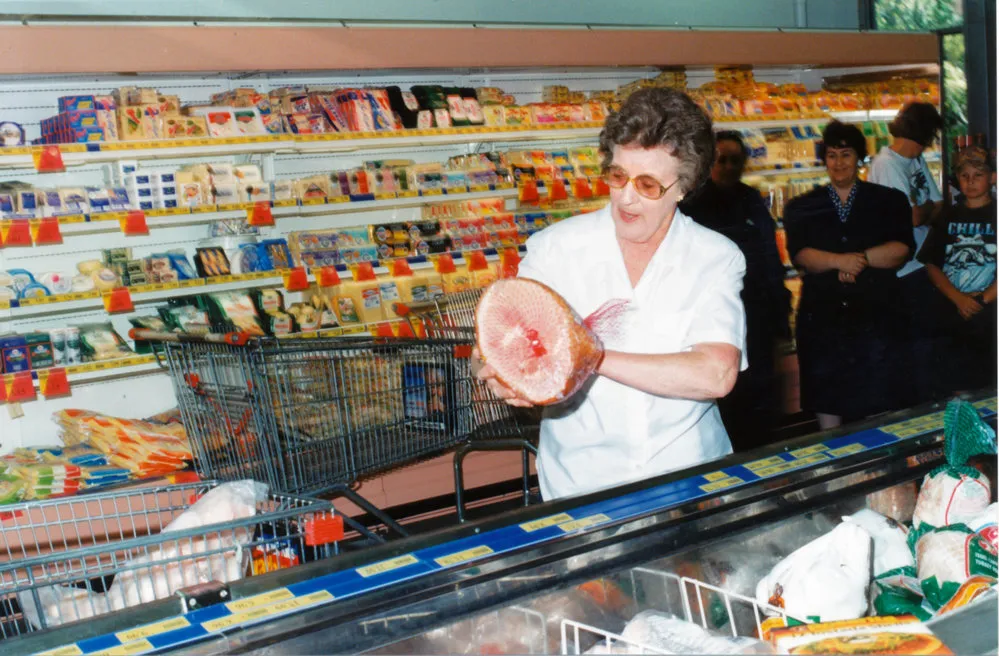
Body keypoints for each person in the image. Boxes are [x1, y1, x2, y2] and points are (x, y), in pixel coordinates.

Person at [475, 88, 748, 501]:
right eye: (618, 176)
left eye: (648, 184)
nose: (626, 196)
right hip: (582, 482)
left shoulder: (714, 257)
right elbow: (497, 343)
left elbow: (716, 374)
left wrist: (589, 356)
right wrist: (495, 366)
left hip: (689, 477)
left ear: (683, 186)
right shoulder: (557, 248)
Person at [784, 121, 914, 430]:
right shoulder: (802, 206)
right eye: (832, 155)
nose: (838, 162)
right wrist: (838, 261)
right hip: (823, 318)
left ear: (860, 158)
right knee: (827, 399)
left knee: (878, 401)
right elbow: (800, 254)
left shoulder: (889, 200)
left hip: (876, 316)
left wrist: (860, 261)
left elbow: (902, 248)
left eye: (846, 154)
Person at [681, 131, 791, 452]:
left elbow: (771, 258)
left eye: (735, 160)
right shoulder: (692, 205)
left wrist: (780, 318)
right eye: (722, 160)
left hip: (757, 318)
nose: (728, 166)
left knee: (761, 409)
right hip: (716, 322)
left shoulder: (752, 199)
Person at [867, 102, 945, 405]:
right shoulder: (887, 165)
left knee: (927, 351)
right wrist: (924, 211)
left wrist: (922, 211)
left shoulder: (915, 160)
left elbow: (938, 206)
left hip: (922, 266)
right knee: (915, 353)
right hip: (902, 273)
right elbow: (912, 217)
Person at [919, 146, 997, 393]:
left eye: (978, 174)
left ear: (993, 177)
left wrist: (983, 299)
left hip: (991, 314)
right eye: (965, 175)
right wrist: (957, 298)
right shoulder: (947, 216)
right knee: (956, 386)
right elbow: (932, 263)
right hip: (952, 313)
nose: (971, 181)